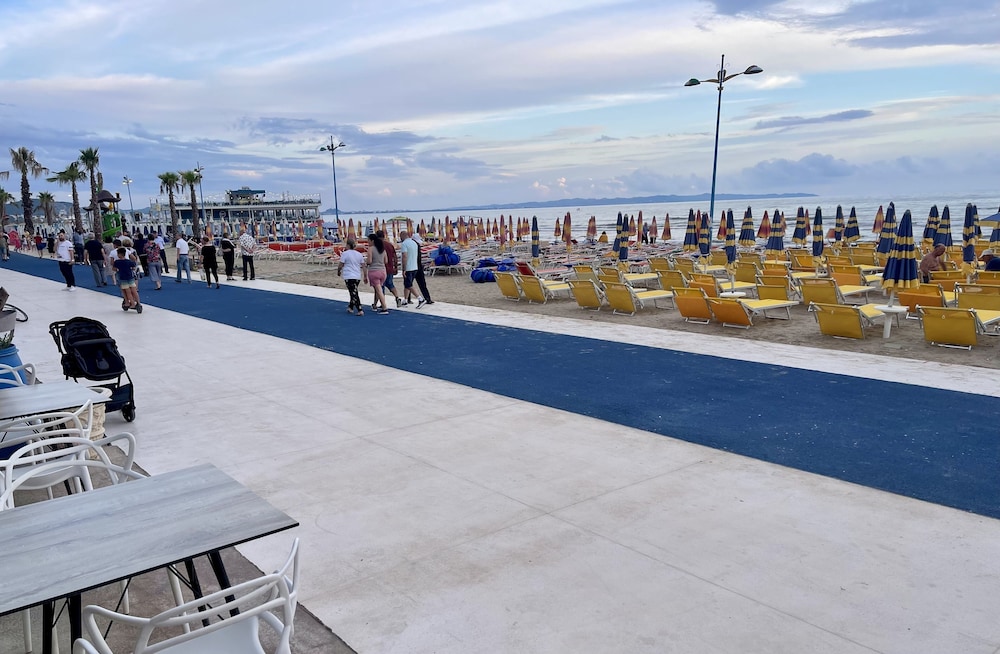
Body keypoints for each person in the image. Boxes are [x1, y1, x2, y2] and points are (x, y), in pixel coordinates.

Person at [337, 237, 365, 316]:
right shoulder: (359, 254)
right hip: (357, 275)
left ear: (348, 245)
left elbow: (341, 264)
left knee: (353, 292)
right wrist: (365, 275)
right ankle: (351, 307)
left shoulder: (345, 254)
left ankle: (359, 309)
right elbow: (363, 265)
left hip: (349, 275)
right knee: (353, 291)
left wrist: (339, 271)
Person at [399, 230, 424, 307]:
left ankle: (420, 298)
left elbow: (404, 256)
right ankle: (405, 300)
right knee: (407, 284)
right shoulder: (414, 243)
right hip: (414, 266)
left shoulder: (404, 244)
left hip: (408, 267)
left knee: (408, 284)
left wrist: (404, 269)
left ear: (402, 236)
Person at [377, 230, 402, 308]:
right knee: (390, 284)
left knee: (381, 286)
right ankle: (397, 297)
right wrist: (395, 267)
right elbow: (395, 257)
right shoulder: (389, 245)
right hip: (390, 268)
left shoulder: (377, 245)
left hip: (381, 268)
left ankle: (383, 302)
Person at [112, 246, 142, 313]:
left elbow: (114, 268)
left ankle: (131, 303)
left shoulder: (117, 262)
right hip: (130, 277)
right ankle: (138, 303)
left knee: (127, 292)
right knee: (134, 291)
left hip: (123, 278)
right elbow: (133, 267)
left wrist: (117, 269)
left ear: (119, 254)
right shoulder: (129, 261)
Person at [366, 233, 389, 314]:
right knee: (378, 289)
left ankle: (384, 307)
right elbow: (386, 261)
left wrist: (366, 262)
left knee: (379, 290)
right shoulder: (382, 249)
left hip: (374, 271)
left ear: (372, 241)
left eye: (368, 240)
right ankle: (375, 305)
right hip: (383, 271)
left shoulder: (371, 249)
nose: (368, 242)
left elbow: (369, 261)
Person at [411, 232, 435, 306]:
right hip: (417, 266)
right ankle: (427, 298)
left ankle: (408, 299)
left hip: (413, 266)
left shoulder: (413, 246)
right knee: (421, 284)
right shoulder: (417, 246)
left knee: (409, 284)